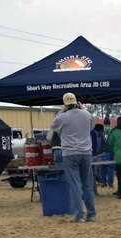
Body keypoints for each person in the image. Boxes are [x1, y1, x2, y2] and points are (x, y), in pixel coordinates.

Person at [50, 93, 96, 223]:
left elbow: (53, 125)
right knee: (87, 185)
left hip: (70, 153)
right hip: (86, 153)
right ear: (77, 102)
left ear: (65, 104)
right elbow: (91, 126)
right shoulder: (86, 115)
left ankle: (79, 215)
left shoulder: (62, 117)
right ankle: (91, 214)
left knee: (75, 185)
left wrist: (61, 111)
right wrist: (84, 109)